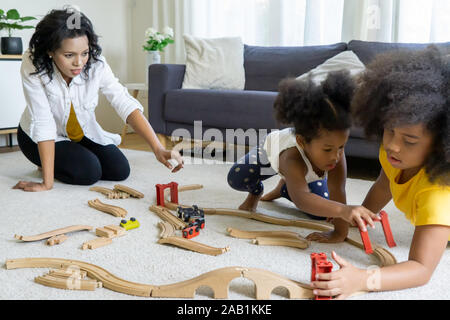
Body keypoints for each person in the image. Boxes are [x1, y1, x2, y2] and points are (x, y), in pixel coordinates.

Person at [311, 46, 449, 299]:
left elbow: (421, 269)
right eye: (389, 131)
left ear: (440, 145)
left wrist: (362, 279)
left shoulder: (437, 194)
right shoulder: (393, 156)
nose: (393, 145)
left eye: (409, 140)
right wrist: (358, 218)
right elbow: (385, 185)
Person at [13, 8, 183, 192]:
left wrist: (157, 148)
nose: (79, 62)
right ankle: (46, 163)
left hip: (80, 135)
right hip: (37, 138)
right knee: (88, 172)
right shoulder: (33, 64)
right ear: (50, 51)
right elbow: (42, 120)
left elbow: (123, 101)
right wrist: (47, 183)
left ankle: (68, 159)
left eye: (84, 53)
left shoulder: (96, 63)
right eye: (69, 55)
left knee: (119, 170)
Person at [227, 70, 380, 242]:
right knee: (237, 177)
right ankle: (256, 192)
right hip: (270, 153)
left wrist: (339, 232)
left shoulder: (335, 154)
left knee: (321, 211)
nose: (336, 156)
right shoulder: (291, 158)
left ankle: (284, 189)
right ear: (301, 141)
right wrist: (343, 211)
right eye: (328, 149)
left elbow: (338, 189)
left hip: (299, 171)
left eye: (341, 147)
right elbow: (302, 199)